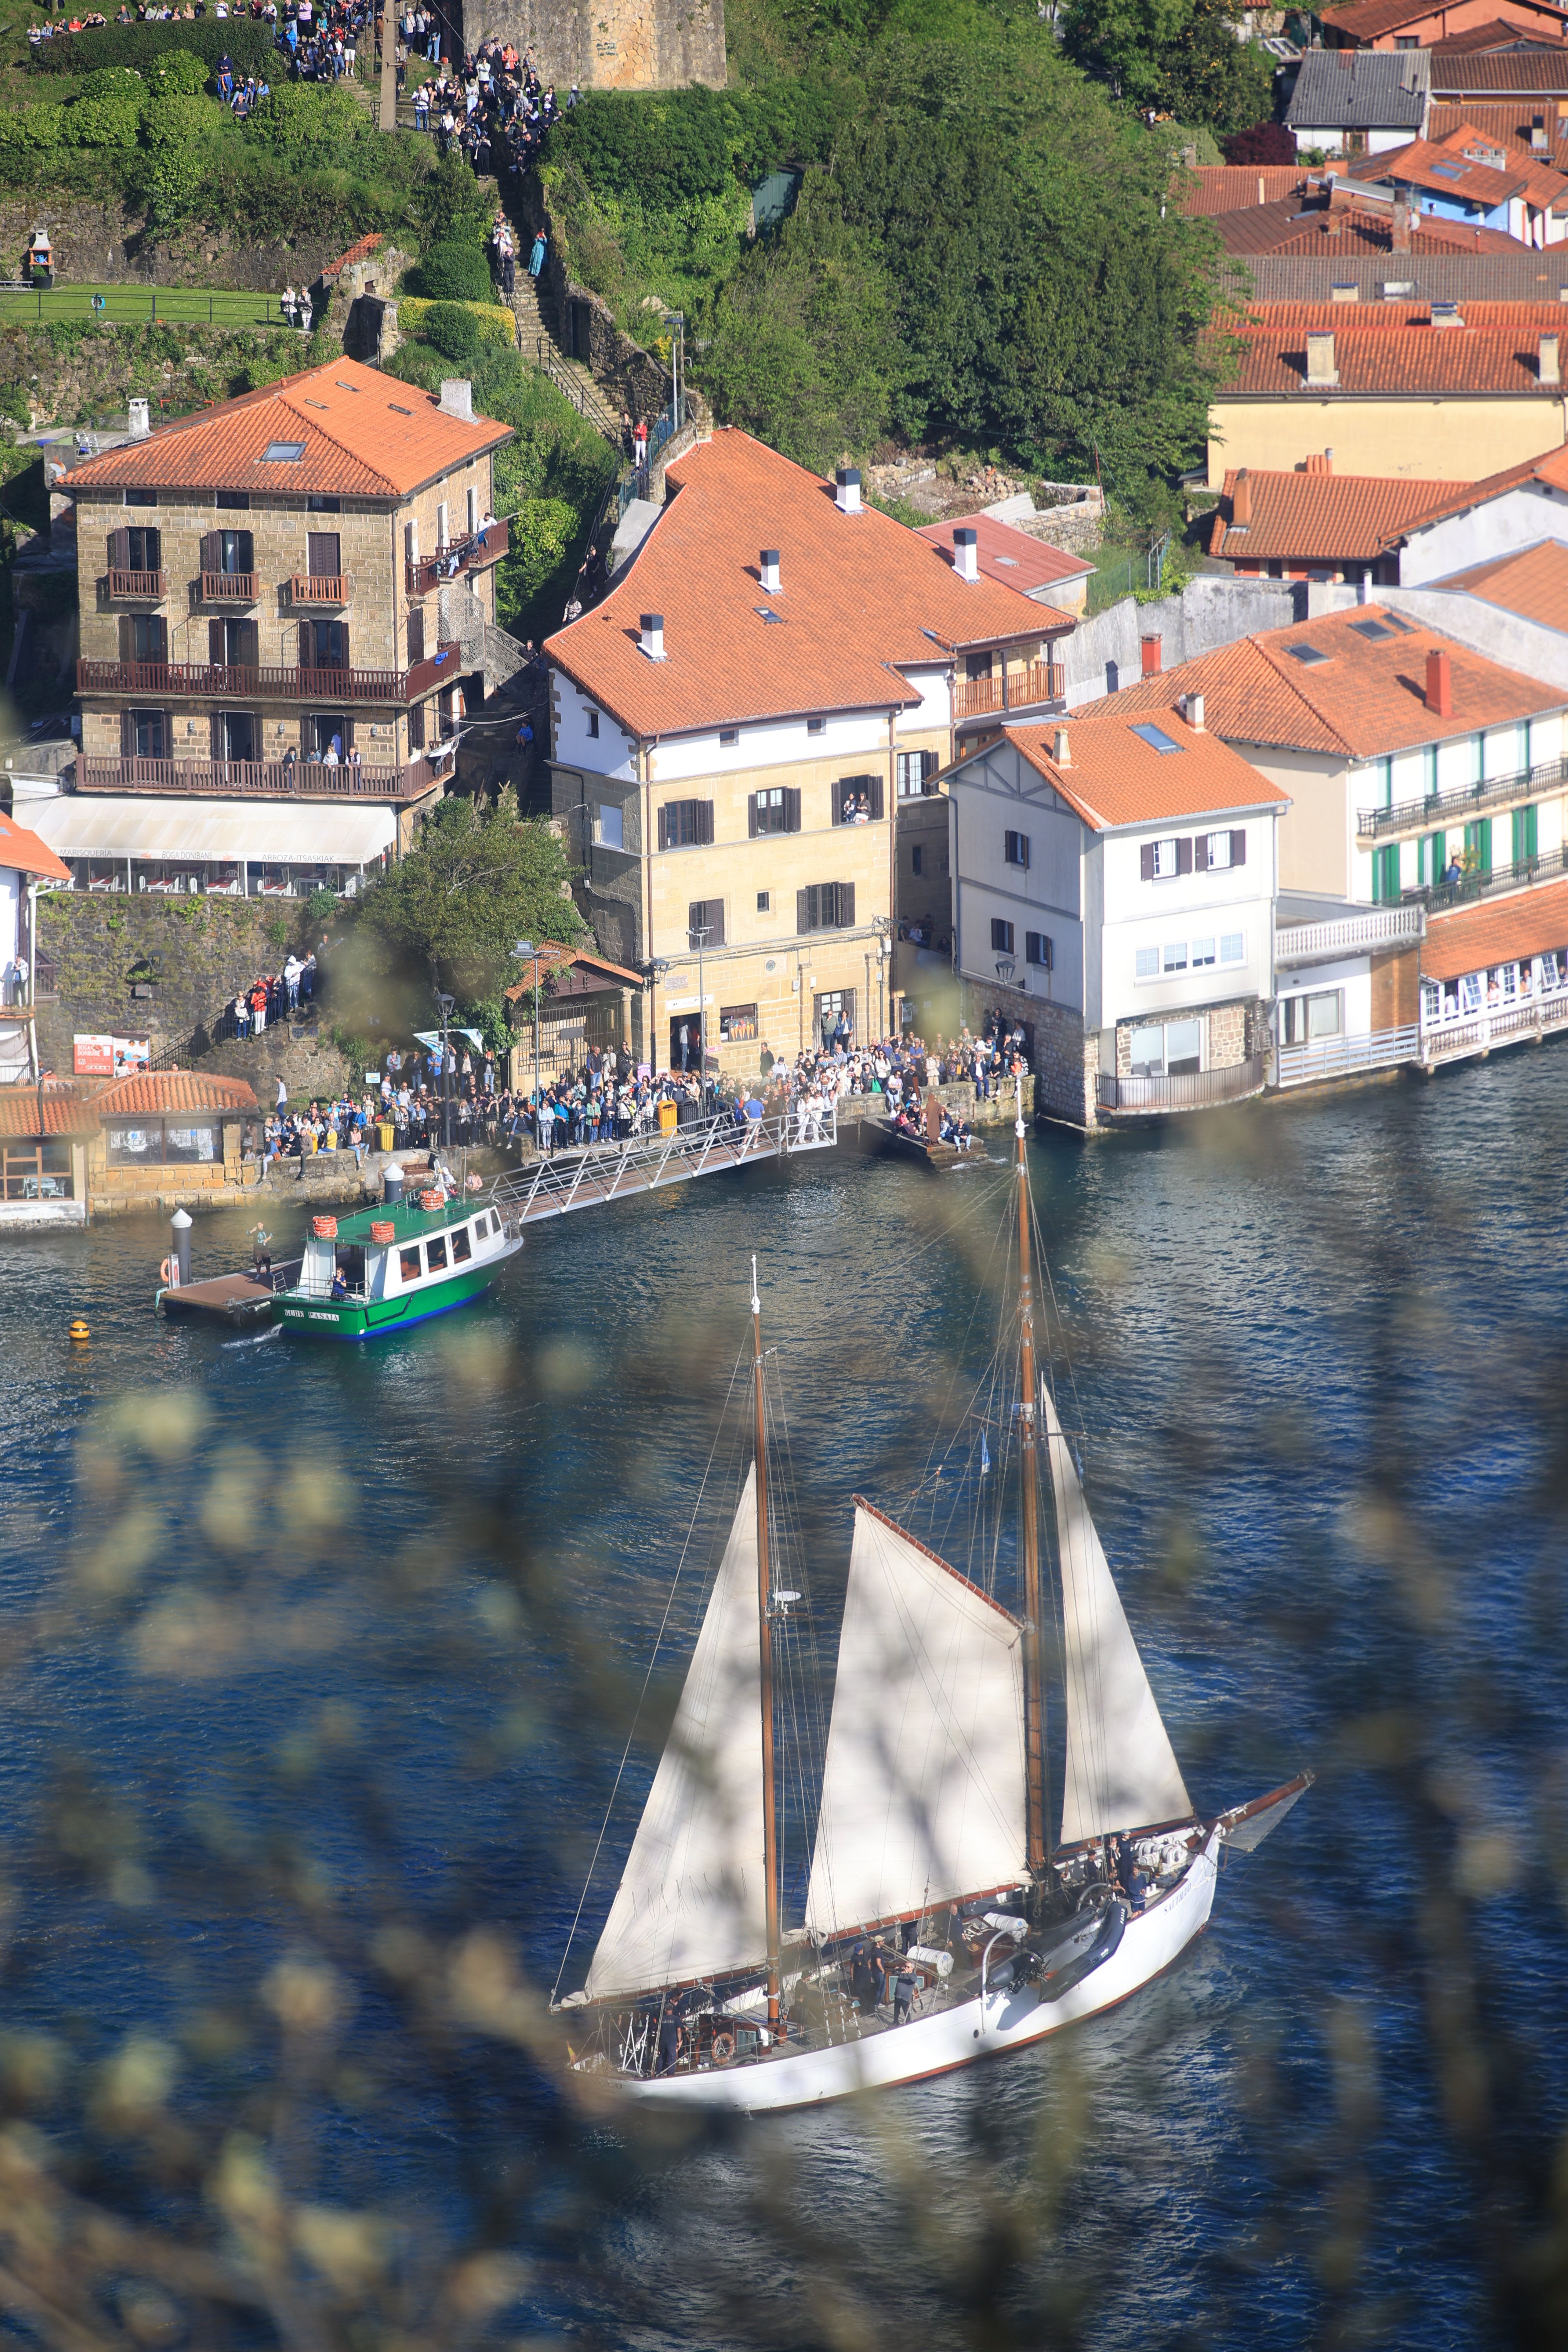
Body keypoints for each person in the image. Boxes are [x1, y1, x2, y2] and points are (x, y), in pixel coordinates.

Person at [1114, 1835, 1147, 1914]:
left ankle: (1130, 1891)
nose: (1129, 1836)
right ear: (1123, 1835)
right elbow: (1117, 1850)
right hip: (1123, 1861)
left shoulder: (1129, 1841)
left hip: (1129, 1860)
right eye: (1127, 1835)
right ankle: (1127, 1894)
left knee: (1131, 1875)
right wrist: (1118, 1856)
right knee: (1125, 1877)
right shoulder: (1120, 1842)